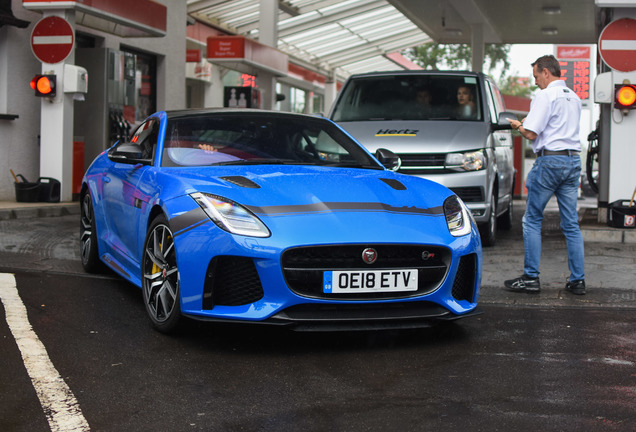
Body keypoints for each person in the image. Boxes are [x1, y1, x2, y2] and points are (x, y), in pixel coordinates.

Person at [504, 55, 586, 295]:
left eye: (536, 76)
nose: (535, 82)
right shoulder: (574, 97)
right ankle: (577, 281)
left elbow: (530, 134)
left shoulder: (545, 95)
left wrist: (517, 125)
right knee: (571, 224)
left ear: (547, 72)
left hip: (550, 162)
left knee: (532, 220)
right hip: (572, 161)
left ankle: (530, 278)